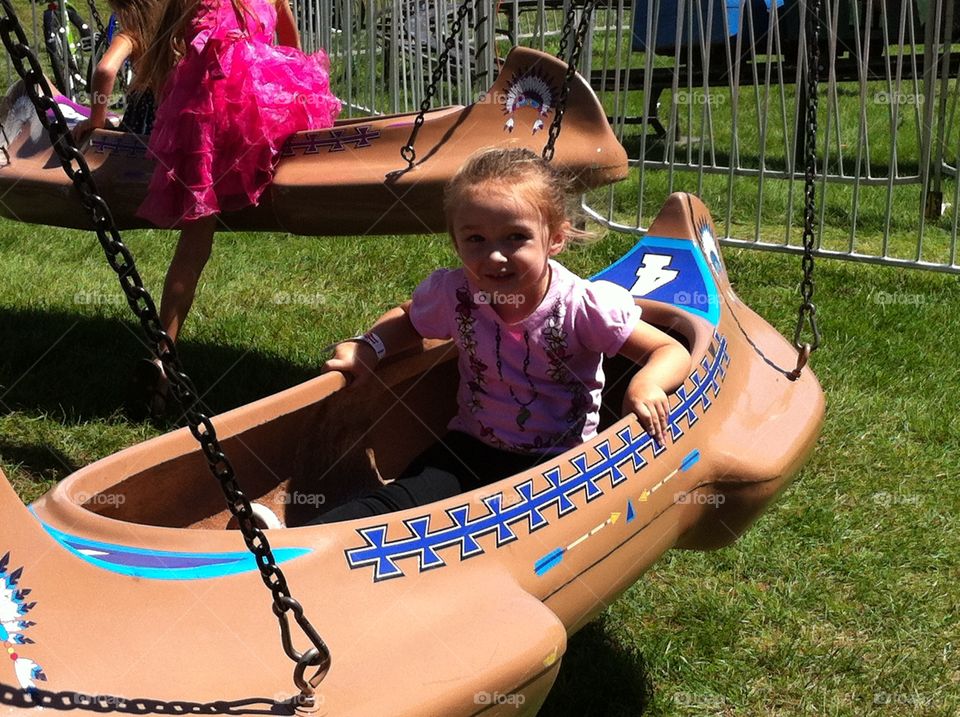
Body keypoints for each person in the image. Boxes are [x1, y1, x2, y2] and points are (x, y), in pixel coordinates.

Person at [313, 147, 691, 523]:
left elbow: (667, 348)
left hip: (560, 463)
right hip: (471, 448)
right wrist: (370, 347)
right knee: (397, 504)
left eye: (515, 237)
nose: (494, 256)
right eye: (475, 239)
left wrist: (647, 386)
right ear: (456, 242)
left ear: (555, 238)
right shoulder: (456, 294)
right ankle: (295, 548)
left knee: (521, 530)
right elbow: (408, 319)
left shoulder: (581, 307)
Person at [128, 0, 341, 415]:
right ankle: (268, 178)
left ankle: (163, 355)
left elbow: (160, 53)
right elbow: (294, 51)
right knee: (297, 102)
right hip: (254, 112)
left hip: (200, 115)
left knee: (194, 244)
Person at [70, 0, 158, 142]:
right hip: (170, 118)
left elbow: (105, 70)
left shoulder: (130, 36)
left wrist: (96, 121)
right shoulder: (174, 30)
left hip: (144, 120)